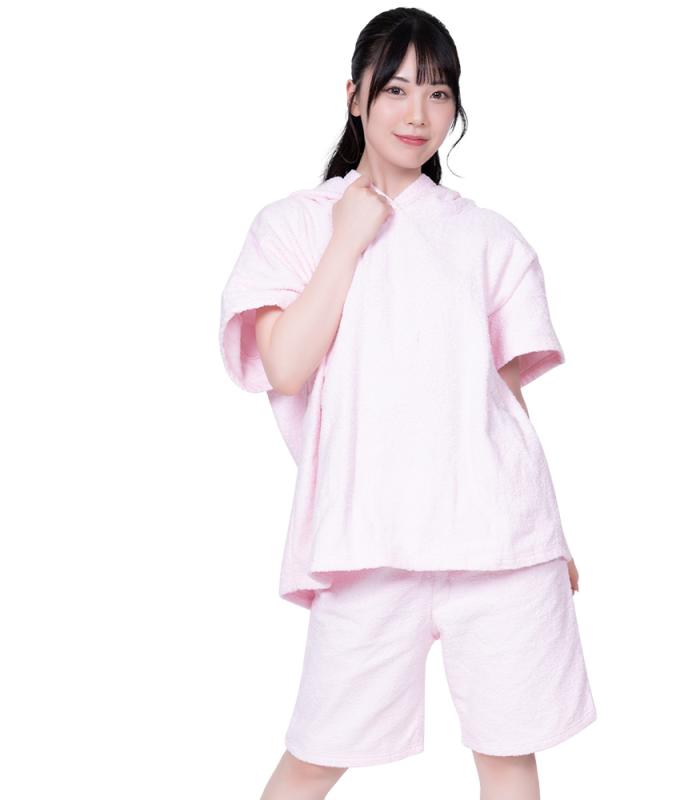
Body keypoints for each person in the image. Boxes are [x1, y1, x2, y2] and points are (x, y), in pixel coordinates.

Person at [219, 8, 597, 799]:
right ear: (354, 96)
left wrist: (554, 535)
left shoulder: (488, 237)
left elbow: (504, 398)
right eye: (395, 89)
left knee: (508, 757)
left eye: (437, 92)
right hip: (368, 542)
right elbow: (285, 366)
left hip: (502, 542)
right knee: (314, 757)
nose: (418, 112)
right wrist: (349, 236)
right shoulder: (296, 224)